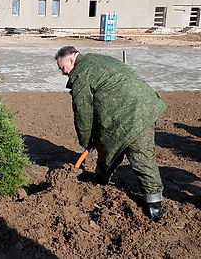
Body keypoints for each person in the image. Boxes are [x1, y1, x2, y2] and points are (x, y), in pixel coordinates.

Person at [55, 46, 166, 222]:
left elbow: (83, 113)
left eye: (62, 68)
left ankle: (153, 207)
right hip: (147, 106)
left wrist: (85, 140)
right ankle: (103, 178)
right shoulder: (96, 59)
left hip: (129, 114)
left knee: (139, 156)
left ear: (71, 60)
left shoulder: (80, 75)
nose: (63, 73)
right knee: (114, 145)